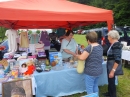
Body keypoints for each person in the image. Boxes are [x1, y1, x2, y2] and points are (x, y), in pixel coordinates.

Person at [76, 31, 103, 95]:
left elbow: (82, 58)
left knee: (89, 87)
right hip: (98, 70)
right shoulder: (100, 46)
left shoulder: (89, 47)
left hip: (90, 71)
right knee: (95, 85)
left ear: (88, 40)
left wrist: (77, 56)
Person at [103, 30, 123, 97]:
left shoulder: (116, 45)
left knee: (112, 82)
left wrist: (113, 71)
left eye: (108, 36)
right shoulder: (113, 44)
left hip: (112, 67)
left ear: (111, 37)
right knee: (110, 81)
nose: (108, 38)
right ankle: (109, 93)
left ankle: (113, 95)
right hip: (110, 66)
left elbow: (117, 60)